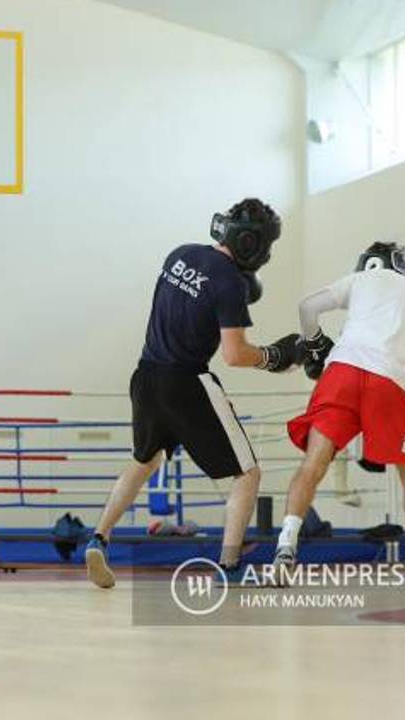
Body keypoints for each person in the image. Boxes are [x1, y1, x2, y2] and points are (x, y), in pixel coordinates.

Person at [84, 199, 303, 588]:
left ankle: (98, 538)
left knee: (144, 461)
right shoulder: (229, 283)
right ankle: (231, 567)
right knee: (247, 473)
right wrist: (274, 357)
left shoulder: (180, 254)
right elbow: (234, 355)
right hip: (186, 382)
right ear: (253, 243)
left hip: (145, 376)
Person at [274, 241, 405, 585]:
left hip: (341, 373)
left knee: (314, 461)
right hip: (390, 379)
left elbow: (307, 307)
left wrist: (316, 342)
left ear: (368, 264)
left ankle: (285, 545)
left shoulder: (361, 280)